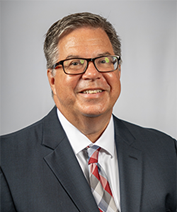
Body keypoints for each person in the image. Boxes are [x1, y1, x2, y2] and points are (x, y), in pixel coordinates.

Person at [0, 12, 176, 212]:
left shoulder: (167, 151)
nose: (92, 73)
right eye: (74, 63)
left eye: (104, 61)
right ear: (52, 79)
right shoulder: (6, 161)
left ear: (118, 72)